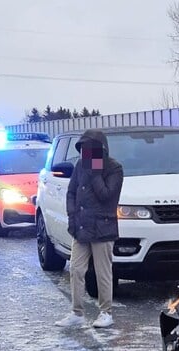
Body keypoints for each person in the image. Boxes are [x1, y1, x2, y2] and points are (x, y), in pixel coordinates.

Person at [55, 129, 123, 329]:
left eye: (89, 149)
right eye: (83, 149)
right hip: (81, 227)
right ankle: (77, 312)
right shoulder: (80, 165)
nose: (86, 154)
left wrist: (95, 173)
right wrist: (71, 215)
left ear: (100, 149)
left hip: (103, 228)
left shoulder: (114, 168)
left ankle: (106, 312)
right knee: (76, 269)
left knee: (103, 272)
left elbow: (106, 196)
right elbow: (71, 192)